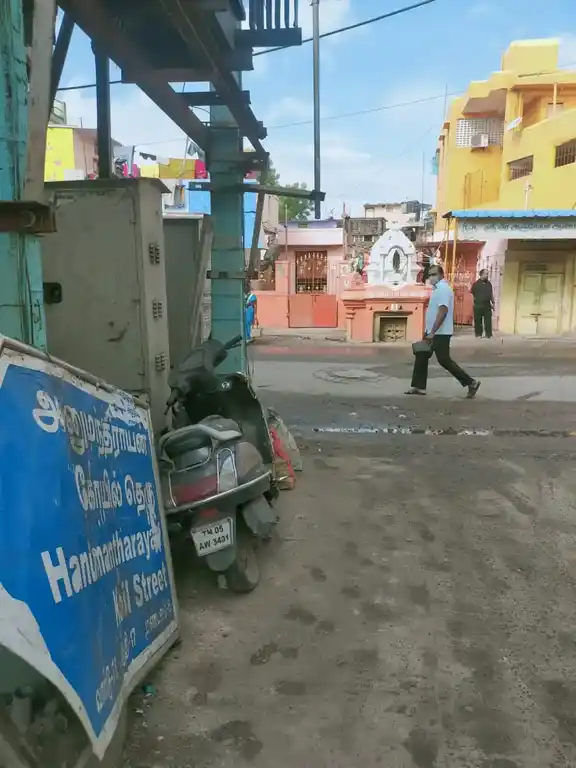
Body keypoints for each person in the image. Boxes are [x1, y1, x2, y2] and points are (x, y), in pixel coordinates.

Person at [406, 264, 481, 398]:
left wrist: (433, 332)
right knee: (421, 355)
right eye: (430, 274)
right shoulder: (436, 289)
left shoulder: (443, 289)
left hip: (440, 332)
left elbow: (443, 311)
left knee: (444, 360)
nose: (431, 277)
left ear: (441, 275)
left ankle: (471, 382)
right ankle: (418, 387)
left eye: (434, 274)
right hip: (433, 331)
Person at [471, 269, 495, 339]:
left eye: (488, 274)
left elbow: (491, 294)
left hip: (487, 305)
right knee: (478, 320)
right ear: (481, 275)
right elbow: (472, 294)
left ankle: (489, 334)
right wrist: (473, 304)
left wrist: (493, 303)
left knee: (488, 321)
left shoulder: (489, 284)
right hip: (478, 305)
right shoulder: (476, 284)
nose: (487, 275)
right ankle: (478, 334)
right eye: (486, 274)